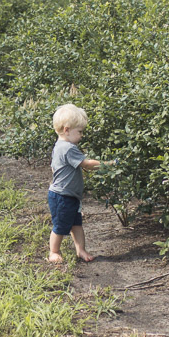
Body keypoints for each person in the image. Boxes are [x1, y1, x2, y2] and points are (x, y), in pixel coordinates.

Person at [47, 103, 104, 264]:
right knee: (61, 226)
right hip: (62, 196)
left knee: (76, 224)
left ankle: (81, 250)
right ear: (67, 130)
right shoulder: (67, 148)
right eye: (79, 132)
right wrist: (107, 165)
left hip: (69, 195)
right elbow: (86, 164)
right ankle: (54, 252)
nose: (81, 135)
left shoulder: (59, 146)